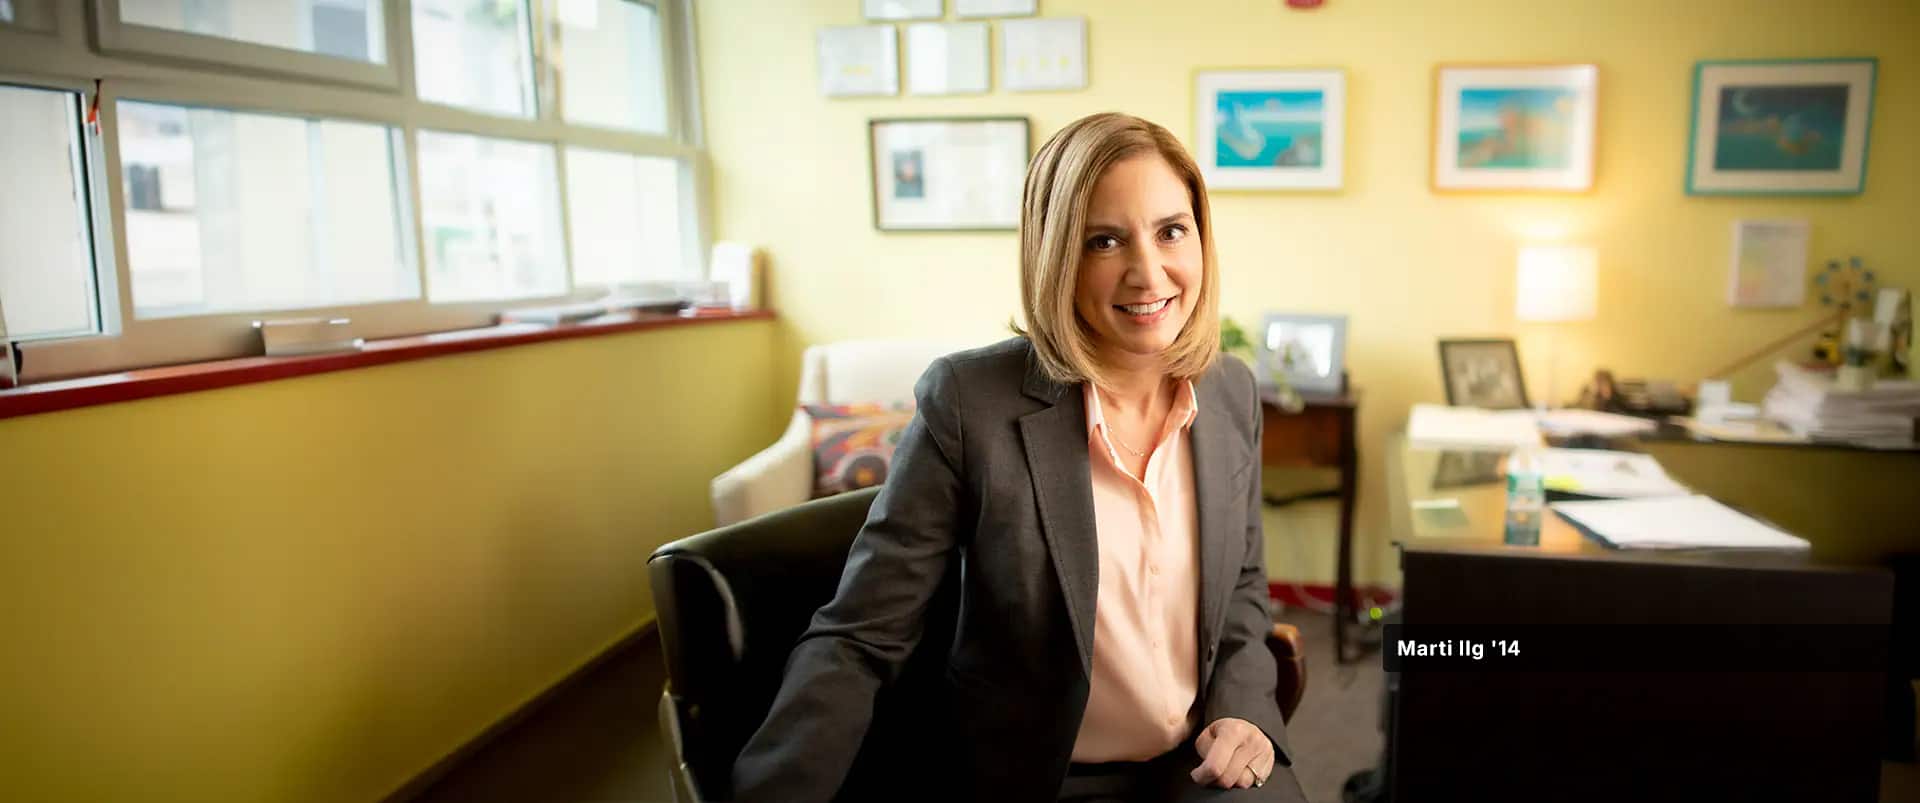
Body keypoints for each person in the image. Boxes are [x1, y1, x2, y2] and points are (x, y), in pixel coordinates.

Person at [731, 112, 1306, 803]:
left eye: (1171, 231)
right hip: (1035, 776)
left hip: (1197, 763)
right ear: (1056, 255)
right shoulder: (969, 403)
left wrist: (1244, 708)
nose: (1148, 272)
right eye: (1103, 240)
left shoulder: (1231, 391)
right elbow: (861, 635)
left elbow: (1242, 587)